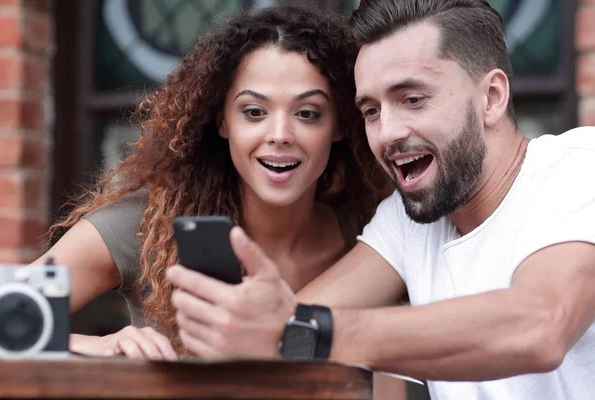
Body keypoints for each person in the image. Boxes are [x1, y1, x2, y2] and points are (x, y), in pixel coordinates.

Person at [167, 1, 595, 399]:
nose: (386, 132)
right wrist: (110, 347)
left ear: (492, 97)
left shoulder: (578, 168)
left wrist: (306, 330)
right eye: (371, 110)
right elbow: (280, 331)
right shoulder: (408, 222)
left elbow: (541, 326)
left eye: (412, 99)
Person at [35, 4, 390, 363]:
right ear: (222, 122)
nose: (280, 134)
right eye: (254, 112)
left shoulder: (368, 238)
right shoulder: (148, 223)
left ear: (340, 126)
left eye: (307, 114)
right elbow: (4, 311)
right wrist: (96, 345)